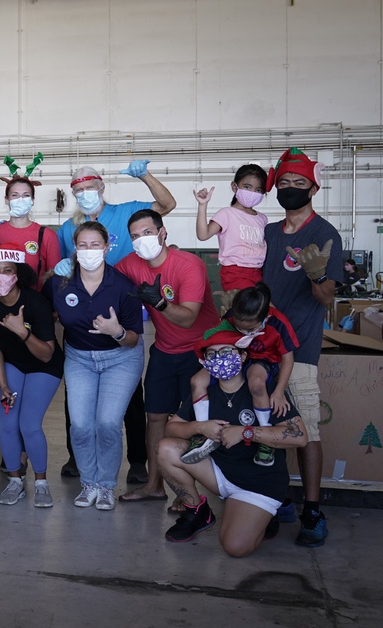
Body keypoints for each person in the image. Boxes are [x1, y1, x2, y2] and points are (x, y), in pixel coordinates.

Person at [55, 160, 176, 481]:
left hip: (122, 315)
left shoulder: (125, 213)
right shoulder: (68, 228)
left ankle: (137, 460)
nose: (84, 194)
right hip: (81, 320)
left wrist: (145, 176)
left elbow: (167, 204)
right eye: (77, 190)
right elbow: (64, 267)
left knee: (129, 395)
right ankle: (75, 458)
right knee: (77, 400)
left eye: (89, 188)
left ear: (102, 187)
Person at [157, 324, 308, 556]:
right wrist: (200, 427)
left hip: (259, 483)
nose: (220, 359)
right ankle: (198, 511)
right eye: (212, 354)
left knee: (235, 547)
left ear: (243, 355)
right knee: (166, 449)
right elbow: (171, 427)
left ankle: (263, 515)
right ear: (205, 362)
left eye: (227, 352)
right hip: (219, 473)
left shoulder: (263, 389)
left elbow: (300, 438)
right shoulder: (206, 390)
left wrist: (246, 432)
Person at [262, 147, 343, 547]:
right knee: (267, 428)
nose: (291, 189)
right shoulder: (270, 233)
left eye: (299, 184)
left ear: (314, 187)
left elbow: (326, 297)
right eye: (284, 183)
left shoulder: (324, 233)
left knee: (306, 431)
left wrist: (317, 276)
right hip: (262, 348)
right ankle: (278, 502)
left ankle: (313, 508)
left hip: (302, 350)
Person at [115, 209, 220, 504]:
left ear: (163, 233)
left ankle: (187, 491)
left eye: (147, 233)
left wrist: (159, 303)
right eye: (135, 236)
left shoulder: (189, 265)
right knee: (156, 418)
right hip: (164, 350)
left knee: (189, 421)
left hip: (200, 350)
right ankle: (154, 485)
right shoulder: (130, 264)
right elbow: (107, 282)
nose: (141, 241)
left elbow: (188, 319)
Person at [45, 222, 144, 510]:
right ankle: (89, 483)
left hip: (120, 358)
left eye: (95, 245)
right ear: (74, 250)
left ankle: (106, 486)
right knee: (80, 425)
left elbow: (134, 338)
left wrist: (117, 332)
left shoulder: (123, 286)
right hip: (79, 358)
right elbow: (45, 312)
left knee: (109, 423)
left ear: (107, 248)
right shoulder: (60, 283)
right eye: (83, 246)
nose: (89, 251)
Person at [0, 244, 64, 507]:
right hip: (13, 364)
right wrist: (1, 384)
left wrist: (21, 331)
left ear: (18, 273)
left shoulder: (35, 302)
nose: (1, 276)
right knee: (8, 423)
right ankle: (15, 480)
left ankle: (40, 483)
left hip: (43, 366)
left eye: (7, 270)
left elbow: (47, 354)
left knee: (29, 424)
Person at [182, 284, 298, 466]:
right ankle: (204, 436)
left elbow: (288, 358)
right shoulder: (230, 316)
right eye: (240, 328)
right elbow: (215, 337)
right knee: (196, 381)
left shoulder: (279, 323)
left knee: (257, 384)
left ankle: (266, 437)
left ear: (265, 317)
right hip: (232, 357)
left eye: (250, 329)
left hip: (261, 361)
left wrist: (279, 391)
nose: (244, 332)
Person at [194, 164, 270, 292]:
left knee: (263, 309)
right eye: (247, 187)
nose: (252, 193)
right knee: (249, 308)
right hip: (236, 272)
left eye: (258, 190)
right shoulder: (227, 214)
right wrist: (202, 205)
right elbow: (203, 235)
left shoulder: (262, 218)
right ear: (234, 187)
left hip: (259, 272)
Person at [0, 156, 61, 288]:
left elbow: (54, 279)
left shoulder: (47, 235)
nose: (20, 199)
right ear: (6, 200)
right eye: (15, 195)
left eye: (26, 195)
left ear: (32, 200)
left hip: (35, 304)